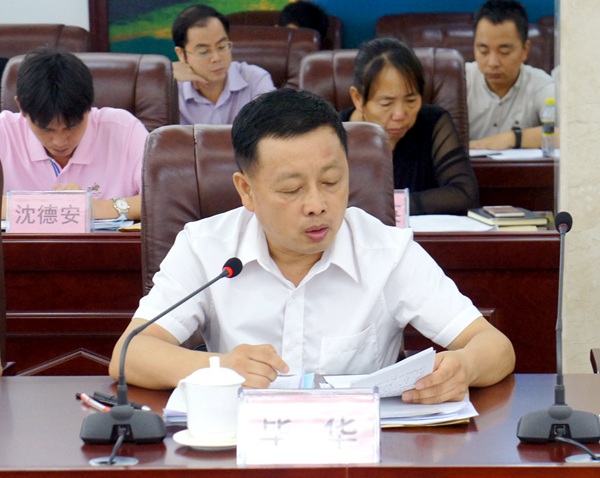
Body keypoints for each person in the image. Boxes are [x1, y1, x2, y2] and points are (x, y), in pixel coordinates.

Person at [110, 88, 514, 405]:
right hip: (242, 454)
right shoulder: (206, 247)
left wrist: (464, 366)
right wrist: (220, 366)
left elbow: (496, 348)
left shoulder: (387, 252)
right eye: (292, 189)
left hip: (357, 457)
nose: (317, 204)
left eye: (331, 181)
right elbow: (129, 354)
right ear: (246, 190)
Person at [0, 47, 147, 221]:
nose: (60, 141)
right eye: (46, 129)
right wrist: (51, 205)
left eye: (72, 127)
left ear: (89, 106)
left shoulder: (124, 130)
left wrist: (101, 207)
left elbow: (162, 198)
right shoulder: (4, 131)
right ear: (21, 107)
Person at [341, 37, 479, 215]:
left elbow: (465, 194)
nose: (400, 114)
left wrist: (396, 206)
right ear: (358, 99)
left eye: (411, 100)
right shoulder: (335, 132)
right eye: (386, 104)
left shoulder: (433, 123)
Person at [467, 0, 555, 150]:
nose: (493, 63)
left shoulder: (541, 85)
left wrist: (513, 138)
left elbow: (569, 134)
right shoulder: (460, 82)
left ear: (525, 50)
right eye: (483, 51)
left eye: (504, 52)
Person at [171, 4, 276, 125]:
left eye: (222, 47)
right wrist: (165, 79)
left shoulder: (255, 80)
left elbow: (273, 131)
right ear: (181, 54)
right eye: (204, 52)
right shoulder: (170, 90)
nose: (216, 58)